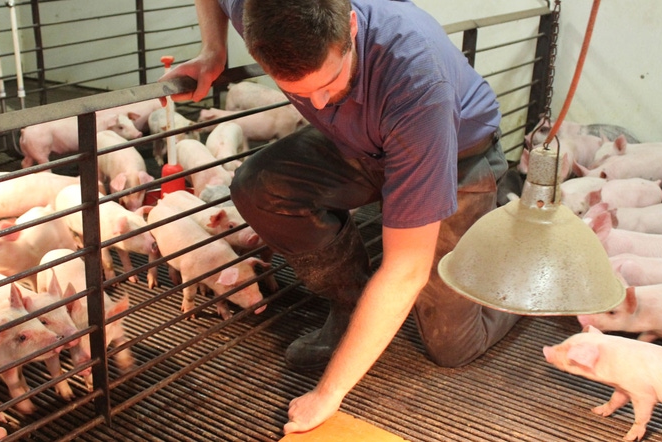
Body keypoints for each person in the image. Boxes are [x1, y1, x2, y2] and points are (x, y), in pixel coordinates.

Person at [160, 0, 522, 434]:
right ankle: (352, 303)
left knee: (452, 344)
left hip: (456, 154)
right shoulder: (255, 9)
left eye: (330, 80)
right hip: (359, 142)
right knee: (258, 186)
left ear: (350, 26)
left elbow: (406, 268)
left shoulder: (416, 80)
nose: (319, 102)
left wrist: (328, 393)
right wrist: (214, 52)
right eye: (295, 88)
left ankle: (518, 270)